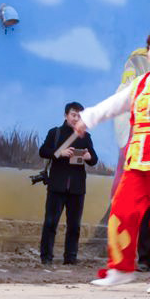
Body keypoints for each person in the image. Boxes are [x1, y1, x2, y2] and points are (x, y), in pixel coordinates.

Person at [75, 30, 150, 295]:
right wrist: (89, 118)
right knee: (122, 209)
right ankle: (119, 268)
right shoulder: (141, 82)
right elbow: (115, 104)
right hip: (138, 156)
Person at [37, 102, 98, 265]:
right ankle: (46, 257)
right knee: (50, 223)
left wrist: (88, 157)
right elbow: (43, 151)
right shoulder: (55, 133)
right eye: (73, 115)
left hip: (77, 188)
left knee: (74, 226)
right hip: (57, 185)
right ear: (66, 115)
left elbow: (94, 159)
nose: (76, 118)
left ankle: (70, 258)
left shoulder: (85, 136)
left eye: (79, 115)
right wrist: (60, 153)